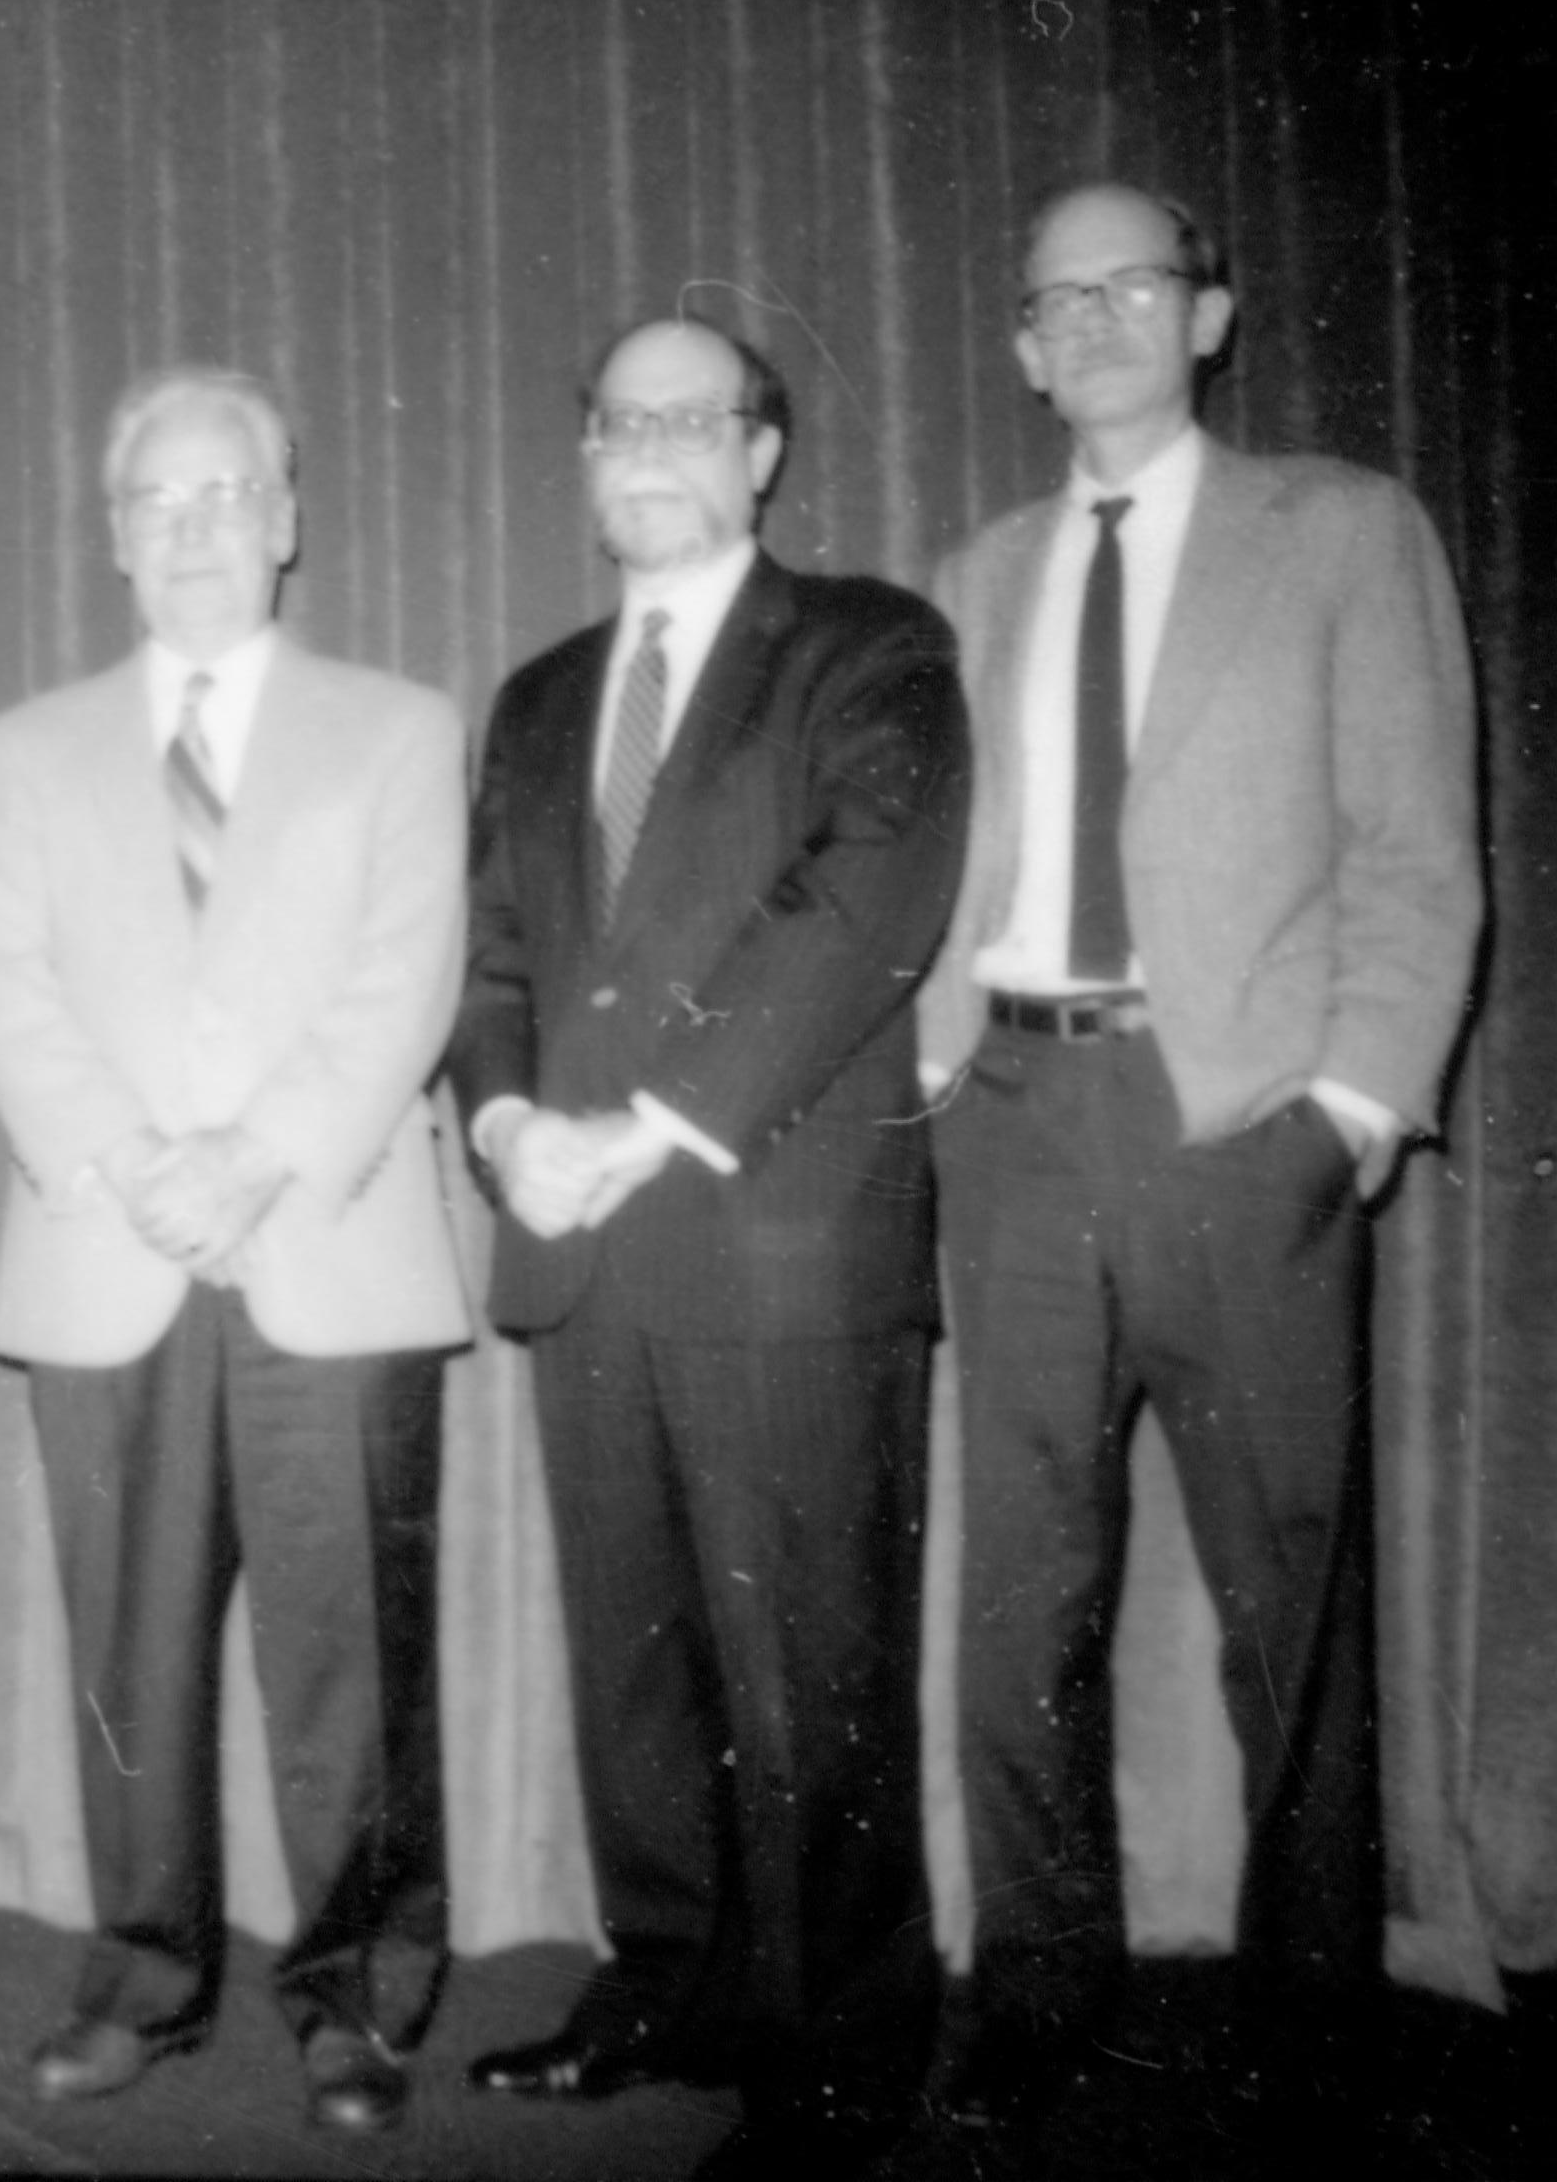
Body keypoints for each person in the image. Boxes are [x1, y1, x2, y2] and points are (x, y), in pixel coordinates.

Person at [919, 182, 1482, 2154]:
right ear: (1019, 345)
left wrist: (1347, 1110)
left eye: (1133, 286)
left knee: (1291, 1606)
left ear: (1211, 312)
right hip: (1012, 1116)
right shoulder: (978, 568)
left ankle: (1314, 2013)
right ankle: (1037, 1993)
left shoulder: (1335, 529)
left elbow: (1419, 855)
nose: (1094, 322)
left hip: (1234, 1120)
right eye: (1055, 299)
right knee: (1020, 1603)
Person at [444, 316, 968, 2177]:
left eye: (691, 419)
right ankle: (671, 1979)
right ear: (585, 459)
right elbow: (494, 957)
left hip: (778, 1244)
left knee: (812, 1668)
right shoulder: (534, 696)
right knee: (638, 1668)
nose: (648, 450)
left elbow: (861, 908)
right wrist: (508, 1125)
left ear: (761, 453)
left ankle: (838, 2059)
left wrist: (636, 1130)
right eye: (617, 422)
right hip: (581, 1246)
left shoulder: (872, 647)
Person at [0, 365, 469, 2134]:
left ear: (288, 520)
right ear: (113, 538)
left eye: (225, 494)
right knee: (130, 1663)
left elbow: (406, 974)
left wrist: (252, 1160)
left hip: (323, 1239)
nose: (192, 530)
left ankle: (358, 1995)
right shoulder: (23, 751)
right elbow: (4, 988)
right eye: (155, 503)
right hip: (110, 1251)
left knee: (354, 1658)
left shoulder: (400, 729)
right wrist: (128, 1162)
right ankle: (147, 1980)